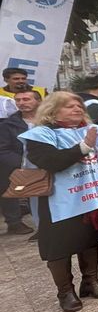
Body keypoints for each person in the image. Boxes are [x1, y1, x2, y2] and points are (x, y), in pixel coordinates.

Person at [19, 92, 98, 312]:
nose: (77, 109)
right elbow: (51, 162)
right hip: (60, 202)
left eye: (79, 105)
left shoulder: (92, 130)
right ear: (52, 110)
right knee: (60, 247)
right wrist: (83, 147)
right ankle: (65, 291)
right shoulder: (40, 135)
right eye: (69, 106)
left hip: (90, 197)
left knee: (89, 239)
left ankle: (90, 281)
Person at [0, 89, 41, 235]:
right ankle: (14, 222)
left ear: (38, 101)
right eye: (18, 100)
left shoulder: (49, 121)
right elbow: (2, 149)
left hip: (46, 164)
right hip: (18, 167)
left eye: (26, 99)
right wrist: (23, 163)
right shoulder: (8, 124)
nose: (21, 103)